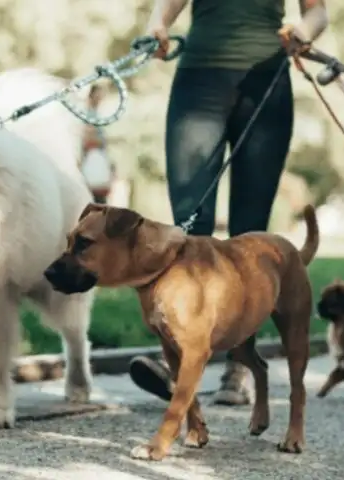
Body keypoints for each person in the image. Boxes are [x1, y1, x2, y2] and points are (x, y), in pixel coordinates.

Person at [128, 0, 329, 405]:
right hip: (198, 82)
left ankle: (240, 362)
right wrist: (158, 25)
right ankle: (178, 358)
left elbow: (317, 11)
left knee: (249, 231)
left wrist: (304, 31)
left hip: (266, 80)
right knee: (189, 222)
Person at [80, 84, 115, 204]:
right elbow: (87, 136)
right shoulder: (86, 114)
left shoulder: (96, 114)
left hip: (98, 156)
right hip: (91, 157)